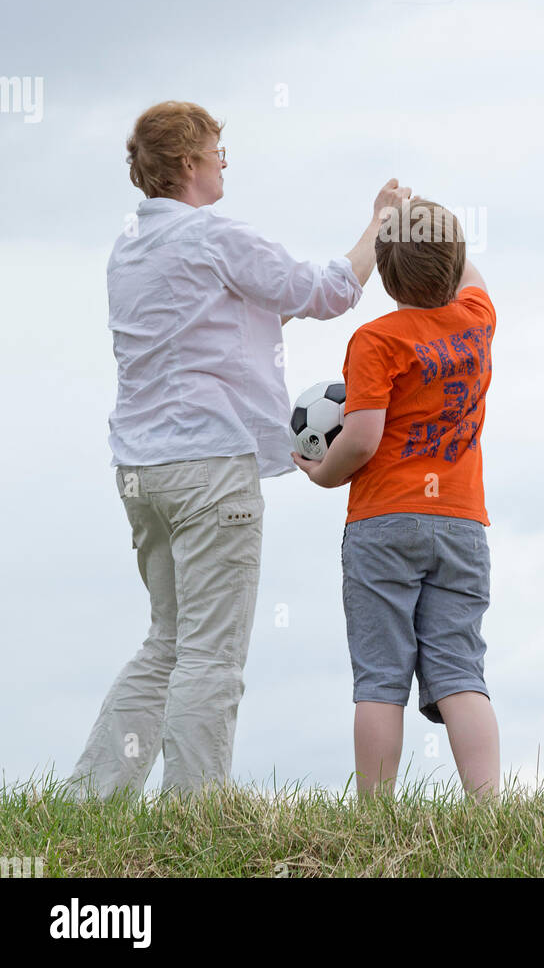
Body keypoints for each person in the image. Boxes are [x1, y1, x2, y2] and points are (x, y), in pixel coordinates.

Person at [67, 100, 410, 797]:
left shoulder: (130, 246)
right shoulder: (212, 236)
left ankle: (93, 795)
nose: (225, 163)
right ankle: (195, 813)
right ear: (190, 162)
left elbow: (226, 313)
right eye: (218, 151)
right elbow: (325, 291)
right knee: (210, 653)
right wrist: (380, 224)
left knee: (166, 640)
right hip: (209, 467)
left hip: (141, 470)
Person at [292, 197, 499, 801]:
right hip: (460, 523)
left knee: (381, 678)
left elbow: (359, 439)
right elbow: (470, 274)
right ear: (456, 259)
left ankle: (376, 815)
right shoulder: (479, 318)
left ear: (384, 276)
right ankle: (488, 809)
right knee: (460, 670)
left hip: (384, 521)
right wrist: (427, 227)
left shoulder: (375, 339)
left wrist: (322, 475)